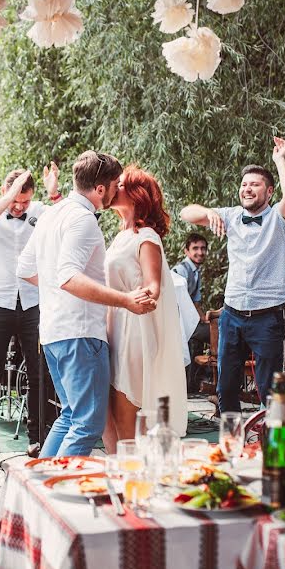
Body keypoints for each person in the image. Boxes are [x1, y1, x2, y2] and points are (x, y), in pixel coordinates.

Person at [17, 151, 155, 458]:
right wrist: (125, 300)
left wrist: (57, 290)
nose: (118, 190)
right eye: (115, 184)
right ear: (101, 189)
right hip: (80, 334)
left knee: (69, 417)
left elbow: (25, 269)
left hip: (53, 332)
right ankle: (54, 491)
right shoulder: (83, 219)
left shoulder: (53, 214)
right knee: (87, 425)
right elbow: (68, 277)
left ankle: (38, 485)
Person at [179, 137, 285, 414]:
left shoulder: (279, 219)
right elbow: (186, 212)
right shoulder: (231, 215)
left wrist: (279, 159)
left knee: (271, 390)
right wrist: (209, 212)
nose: (247, 188)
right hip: (231, 315)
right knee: (226, 387)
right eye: (244, 184)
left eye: (254, 184)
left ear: (269, 192)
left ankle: (269, 442)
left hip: (268, 317)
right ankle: (231, 441)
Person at [0, 166, 61, 464]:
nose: (19, 207)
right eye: (15, 202)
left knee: (38, 372)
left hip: (33, 302)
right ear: (3, 192)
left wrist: (53, 192)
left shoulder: (40, 211)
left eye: (24, 201)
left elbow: (67, 224)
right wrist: (8, 197)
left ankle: (37, 439)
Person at [103, 165, 188, 452]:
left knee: (125, 409)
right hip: (116, 324)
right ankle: (119, 472)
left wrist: (145, 295)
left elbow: (154, 285)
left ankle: (131, 477)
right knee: (109, 416)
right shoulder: (120, 236)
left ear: (137, 194)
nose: (114, 186)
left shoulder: (146, 236)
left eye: (121, 184)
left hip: (134, 329)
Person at [172, 232, 211, 392]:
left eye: (203, 248)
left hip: (188, 319)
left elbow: (195, 301)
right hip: (177, 320)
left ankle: (195, 384)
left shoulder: (195, 271)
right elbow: (179, 301)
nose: (200, 252)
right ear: (186, 251)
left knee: (212, 329)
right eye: (195, 248)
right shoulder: (181, 270)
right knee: (215, 334)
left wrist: (204, 319)